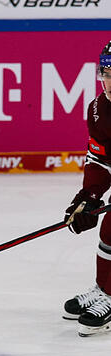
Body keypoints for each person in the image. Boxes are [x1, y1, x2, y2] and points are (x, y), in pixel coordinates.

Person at [63, 41, 111, 337]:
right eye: (105, 72)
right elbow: (100, 159)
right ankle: (105, 287)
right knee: (109, 230)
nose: (108, 82)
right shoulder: (98, 109)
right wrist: (90, 197)